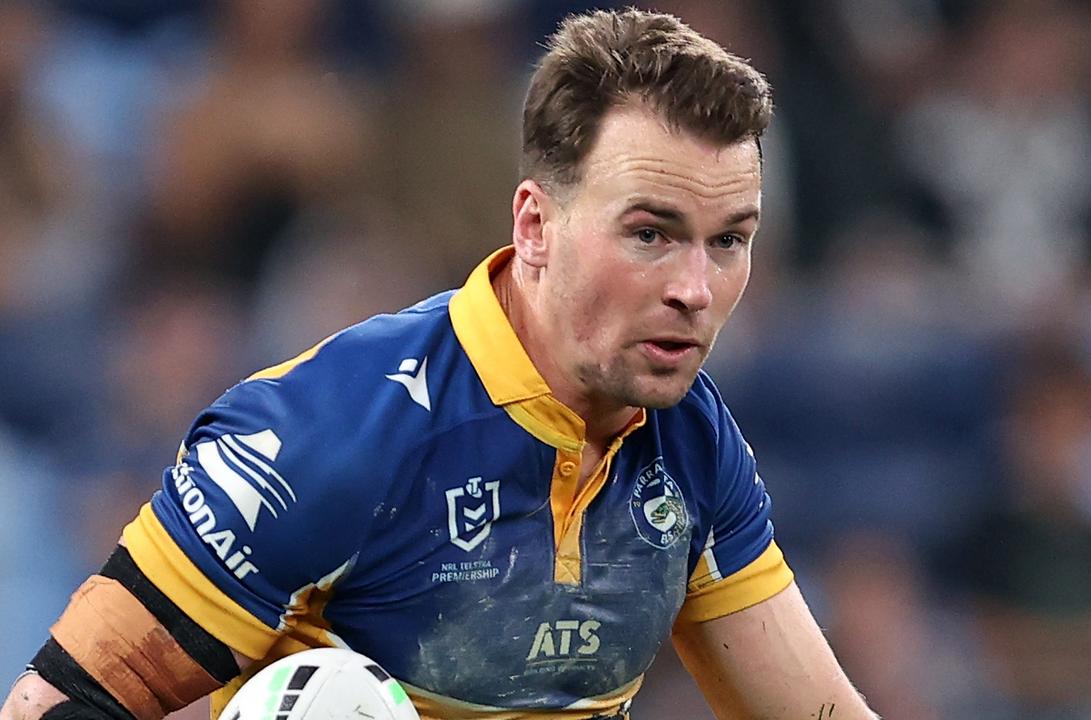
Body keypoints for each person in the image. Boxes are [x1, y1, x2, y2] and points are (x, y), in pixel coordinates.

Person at [1, 9, 878, 720]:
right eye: (649, 234)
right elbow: (57, 706)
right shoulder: (327, 435)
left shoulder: (689, 440)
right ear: (535, 227)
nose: (695, 287)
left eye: (729, 241)